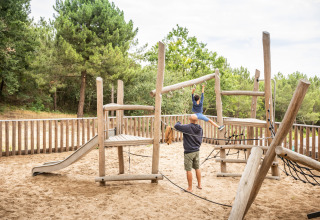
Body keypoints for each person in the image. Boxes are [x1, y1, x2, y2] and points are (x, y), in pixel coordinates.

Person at [174, 114, 203, 192]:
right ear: (196, 120)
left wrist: (178, 122)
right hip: (197, 150)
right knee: (197, 168)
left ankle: (190, 188)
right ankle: (199, 185)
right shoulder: (200, 128)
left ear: (190, 119)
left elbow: (176, 126)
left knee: (188, 169)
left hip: (189, 151)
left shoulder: (188, 127)